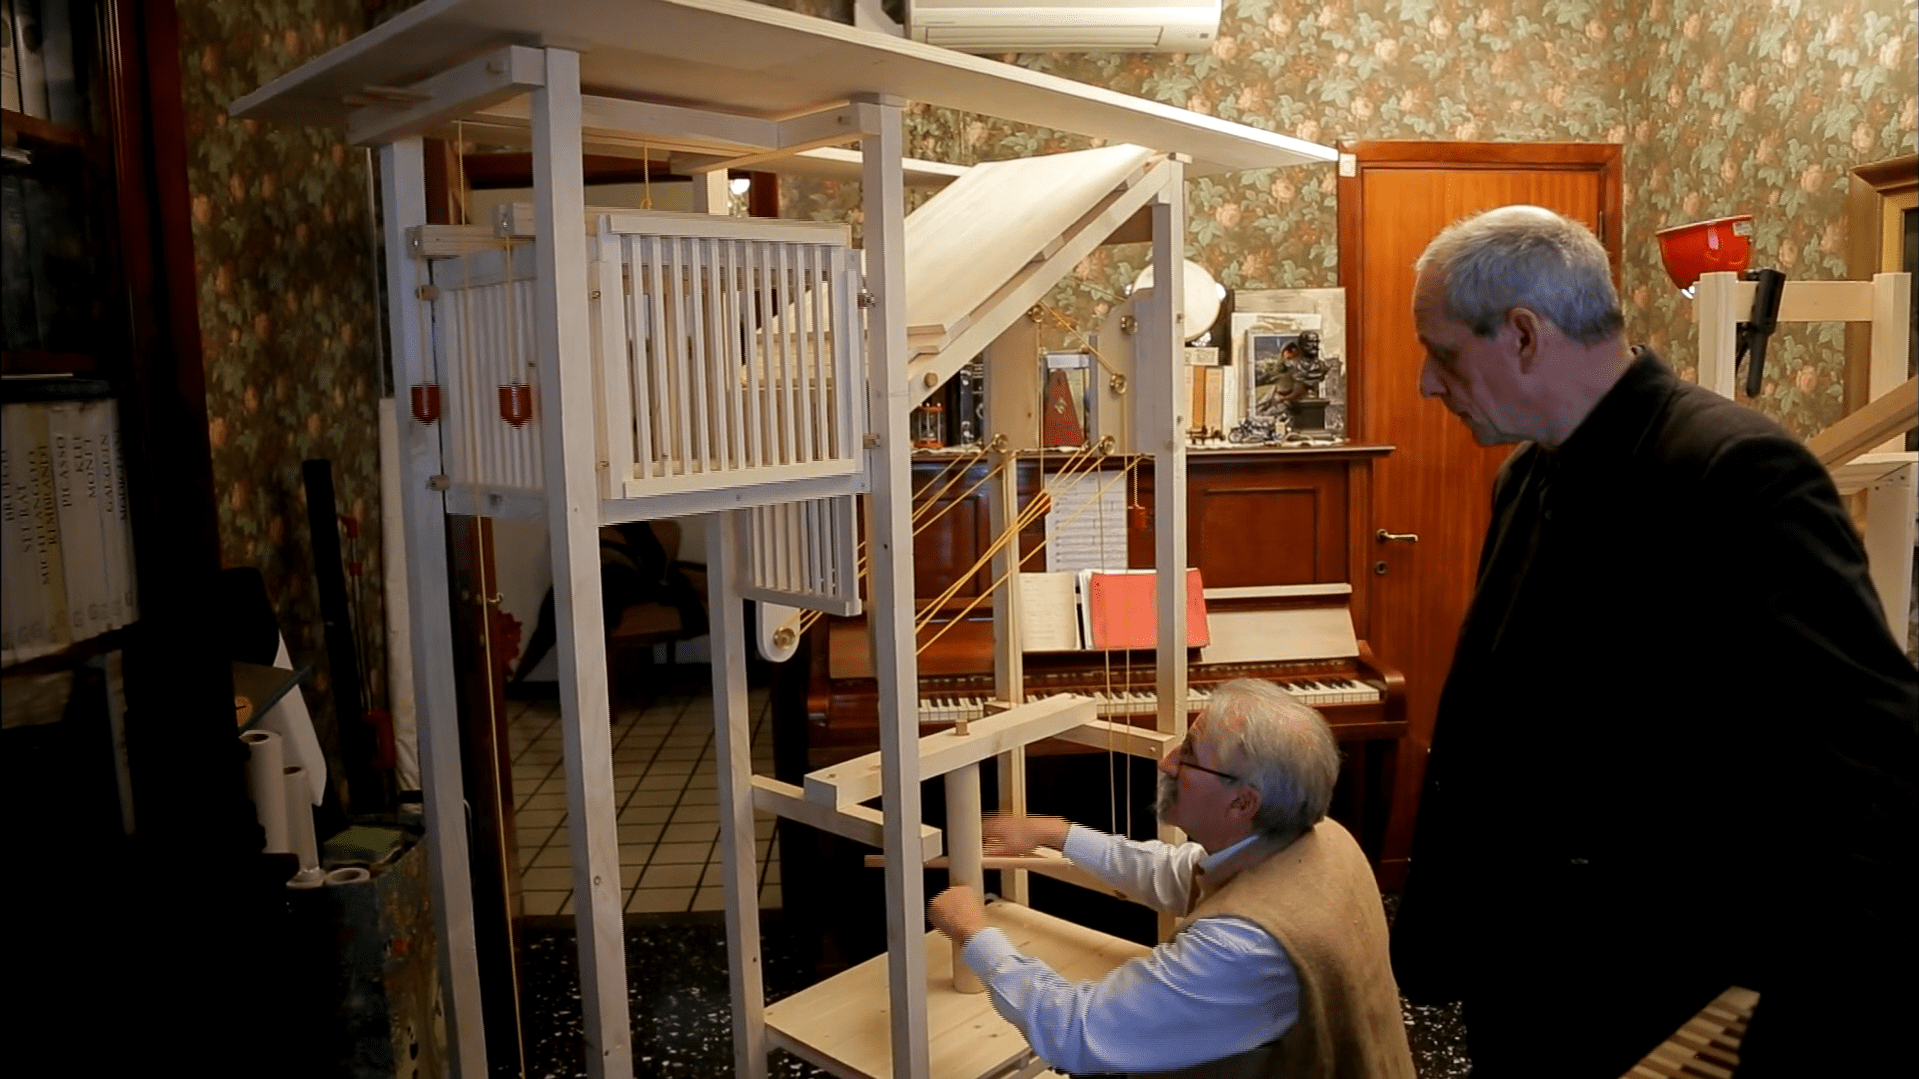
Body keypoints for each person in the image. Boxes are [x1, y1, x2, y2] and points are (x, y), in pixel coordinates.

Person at [1388, 205, 1919, 1077]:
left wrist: (1808, 1016)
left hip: (1652, 983)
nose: (1425, 384)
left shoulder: (1734, 471)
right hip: (1522, 967)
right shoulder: (1524, 475)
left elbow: (1872, 758)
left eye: (1441, 354)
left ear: (1522, 334)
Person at [927, 679, 1415, 1078]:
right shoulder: (1319, 835)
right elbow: (1179, 872)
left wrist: (975, 935)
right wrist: (1056, 833)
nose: (1167, 763)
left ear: (1242, 802)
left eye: (1189, 755)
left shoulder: (1240, 947)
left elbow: (1077, 1033)